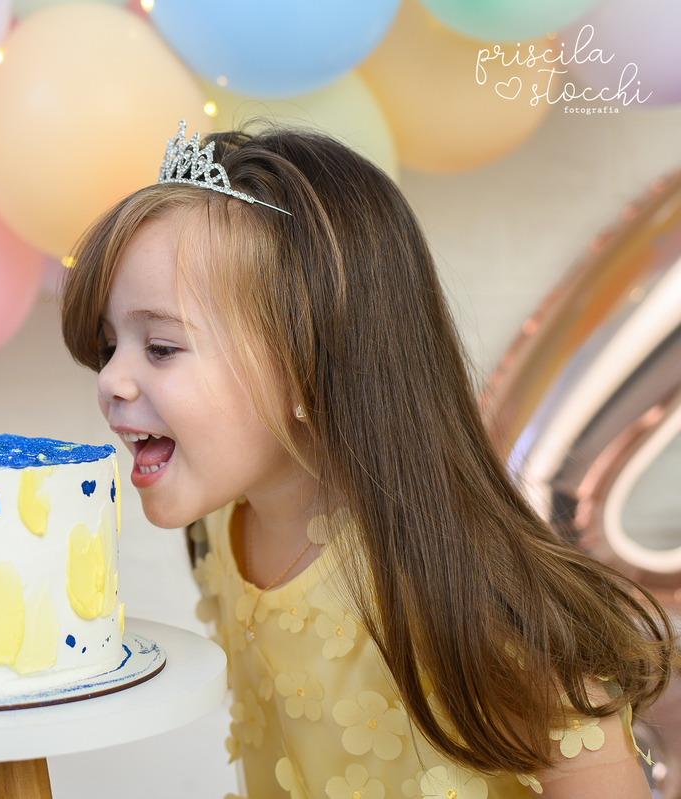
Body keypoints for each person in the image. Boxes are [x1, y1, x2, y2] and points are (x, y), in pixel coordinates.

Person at [59, 121, 675, 798]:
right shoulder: (216, 531)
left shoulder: (448, 576)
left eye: (161, 347)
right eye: (110, 342)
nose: (110, 378)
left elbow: (590, 762)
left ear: (305, 362)